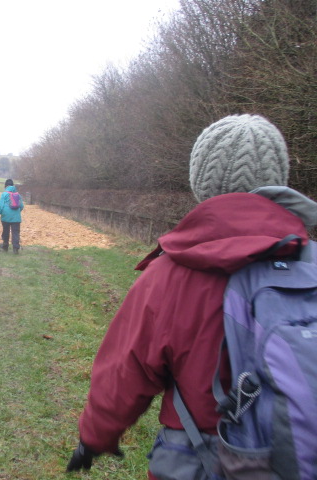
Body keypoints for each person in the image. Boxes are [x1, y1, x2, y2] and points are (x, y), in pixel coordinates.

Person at [66, 114, 317, 475]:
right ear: (279, 179)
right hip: (295, 457)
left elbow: (125, 371)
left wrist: (94, 438)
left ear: (200, 179)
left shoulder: (172, 274)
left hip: (199, 457)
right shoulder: (310, 263)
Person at [0, 179, 24, 254]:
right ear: (13, 185)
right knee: (15, 232)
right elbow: (22, 206)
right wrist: (16, 212)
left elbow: (0, 206)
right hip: (16, 217)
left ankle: (5, 246)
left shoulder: (4, 194)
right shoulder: (18, 194)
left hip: (6, 216)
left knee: (6, 231)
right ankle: (15, 248)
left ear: (6, 186)